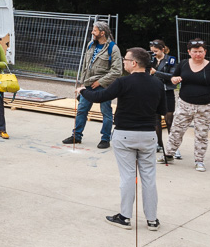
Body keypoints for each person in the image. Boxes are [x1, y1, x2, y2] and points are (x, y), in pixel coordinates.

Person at [79, 47, 167, 230]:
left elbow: (100, 96)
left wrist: (82, 91)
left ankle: (125, 217)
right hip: (148, 135)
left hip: (125, 134)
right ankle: (152, 220)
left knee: (128, 177)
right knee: (149, 178)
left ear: (134, 63)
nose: (124, 63)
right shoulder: (157, 83)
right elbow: (162, 110)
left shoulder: (123, 82)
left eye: (126, 60)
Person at [164, 39, 210, 172]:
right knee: (176, 130)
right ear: (189, 52)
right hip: (185, 104)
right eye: (195, 52)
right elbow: (174, 77)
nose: (198, 54)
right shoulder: (184, 64)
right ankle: (169, 154)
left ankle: (199, 160)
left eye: (200, 51)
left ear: (205, 52)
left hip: (205, 106)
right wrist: (174, 79)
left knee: (201, 134)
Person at [64, 20, 121, 148]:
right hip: (88, 85)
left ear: (102, 33)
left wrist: (100, 82)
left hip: (103, 87)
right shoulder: (91, 45)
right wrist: (83, 82)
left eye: (94, 31)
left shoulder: (113, 48)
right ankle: (76, 136)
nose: (92, 32)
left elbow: (117, 71)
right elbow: (85, 65)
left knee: (106, 112)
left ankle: (105, 139)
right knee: (81, 110)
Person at [150, 40, 178, 154]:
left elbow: (172, 75)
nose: (154, 54)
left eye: (156, 51)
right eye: (152, 51)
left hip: (167, 91)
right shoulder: (151, 60)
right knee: (156, 119)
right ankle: (159, 144)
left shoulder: (171, 59)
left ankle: (173, 147)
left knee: (169, 120)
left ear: (162, 49)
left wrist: (156, 72)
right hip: (154, 91)